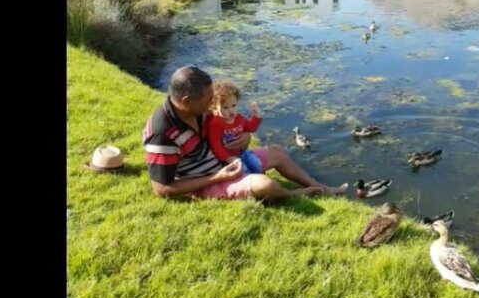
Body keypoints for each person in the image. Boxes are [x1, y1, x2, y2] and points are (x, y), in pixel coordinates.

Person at [142, 65, 348, 200]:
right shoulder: (163, 134)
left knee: (277, 152)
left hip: (227, 163)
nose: (212, 104)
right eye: (208, 100)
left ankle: (321, 187)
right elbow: (162, 189)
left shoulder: (198, 111)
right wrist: (216, 178)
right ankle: (293, 194)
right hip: (206, 181)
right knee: (264, 184)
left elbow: (224, 133)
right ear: (186, 102)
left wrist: (245, 139)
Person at [203, 79, 263, 175]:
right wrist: (228, 158)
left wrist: (256, 116)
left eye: (233, 105)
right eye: (225, 107)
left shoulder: (238, 118)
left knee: (257, 165)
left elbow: (250, 128)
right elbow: (215, 145)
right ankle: (251, 186)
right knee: (244, 171)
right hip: (228, 158)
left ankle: (262, 184)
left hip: (242, 152)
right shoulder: (216, 123)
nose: (231, 111)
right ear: (214, 107)